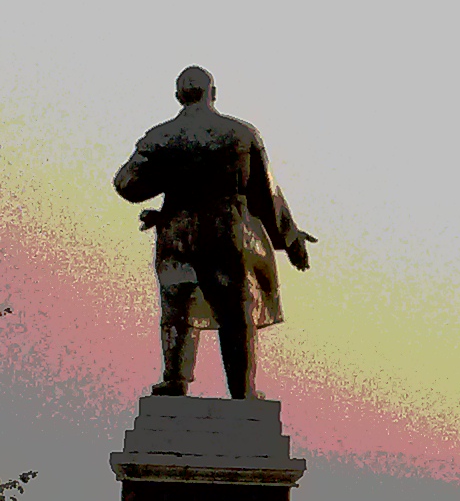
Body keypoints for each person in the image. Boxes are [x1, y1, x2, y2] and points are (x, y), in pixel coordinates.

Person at [112, 65, 314, 399]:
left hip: (178, 231)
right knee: (236, 311)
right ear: (213, 93)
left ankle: (174, 380)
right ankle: (242, 391)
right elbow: (266, 196)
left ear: (178, 96)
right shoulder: (241, 134)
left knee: (177, 305)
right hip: (228, 232)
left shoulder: (160, 137)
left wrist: (173, 178)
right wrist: (291, 240)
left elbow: (126, 184)